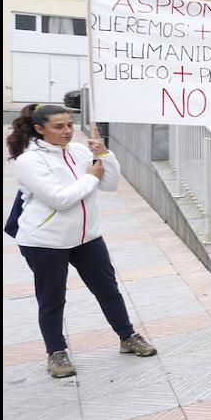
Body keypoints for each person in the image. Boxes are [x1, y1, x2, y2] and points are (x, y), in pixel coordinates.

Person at [9, 105, 157, 378]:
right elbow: (60, 199)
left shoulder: (79, 150)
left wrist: (104, 154)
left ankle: (128, 337)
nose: (67, 131)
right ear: (39, 129)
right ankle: (56, 353)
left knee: (108, 290)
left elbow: (110, 184)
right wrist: (90, 176)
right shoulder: (30, 161)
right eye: (58, 126)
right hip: (45, 242)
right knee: (52, 299)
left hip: (87, 238)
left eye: (69, 125)